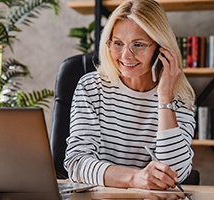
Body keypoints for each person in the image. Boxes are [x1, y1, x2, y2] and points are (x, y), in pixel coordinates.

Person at [64, 0, 196, 190]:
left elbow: (173, 174)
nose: (126, 55)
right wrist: (134, 178)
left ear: (160, 49)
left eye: (138, 45)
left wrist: (164, 97)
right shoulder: (91, 87)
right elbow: (76, 163)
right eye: (118, 43)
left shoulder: (180, 97)